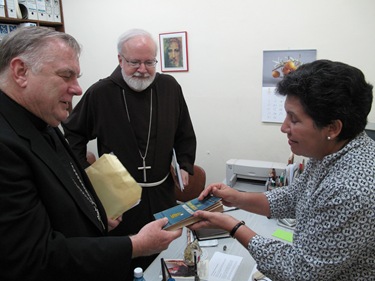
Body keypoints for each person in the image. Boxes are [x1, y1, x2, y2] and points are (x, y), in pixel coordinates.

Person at [0, 26, 182, 281]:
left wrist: (94, 213)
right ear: (21, 72)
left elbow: (61, 197)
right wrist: (136, 245)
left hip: (157, 192)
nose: (77, 89)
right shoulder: (7, 144)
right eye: (66, 75)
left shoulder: (42, 118)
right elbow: (34, 256)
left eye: (149, 61)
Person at [190, 60, 375, 280]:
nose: (284, 127)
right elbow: (293, 197)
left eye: (294, 119)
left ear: (332, 128)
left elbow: (301, 271)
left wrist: (233, 227)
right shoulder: (329, 151)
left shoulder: (349, 189)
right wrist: (237, 198)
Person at [62, 28, 196, 274]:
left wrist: (185, 164)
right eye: (134, 62)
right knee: (126, 262)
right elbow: (73, 134)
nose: (143, 69)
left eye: (149, 62)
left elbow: (184, 131)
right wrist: (86, 175)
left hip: (162, 193)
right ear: (120, 60)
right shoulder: (100, 93)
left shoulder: (169, 87)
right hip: (120, 201)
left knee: (167, 259)